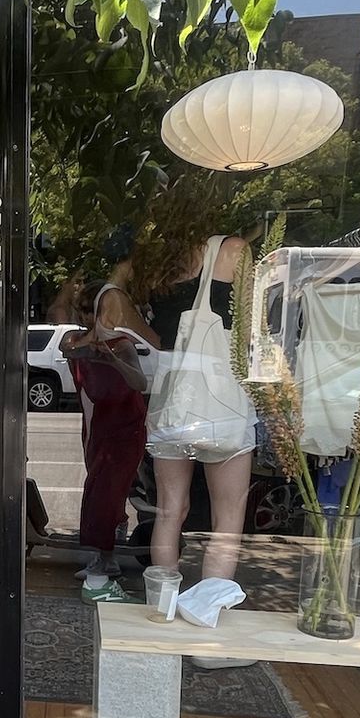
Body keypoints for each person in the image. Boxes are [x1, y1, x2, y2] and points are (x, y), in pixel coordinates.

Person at [145, 232, 254, 583]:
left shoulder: (159, 262)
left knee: (169, 512)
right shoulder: (233, 250)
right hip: (220, 404)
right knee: (227, 518)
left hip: (171, 403)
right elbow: (251, 331)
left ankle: (162, 602)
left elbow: (159, 336)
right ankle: (211, 607)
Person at [63, 270, 158, 603]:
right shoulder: (76, 340)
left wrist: (114, 359)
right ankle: (105, 554)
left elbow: (139, 383)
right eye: (83, 311)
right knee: (101, 491)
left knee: (107, 493)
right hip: (96, 429)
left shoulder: (122, 345)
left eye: (92, 311)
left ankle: (104, 562)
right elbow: (68, 347)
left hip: (124, 427)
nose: (87, 318)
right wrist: (94, 343)